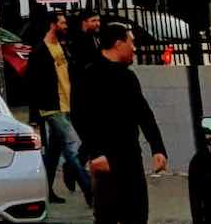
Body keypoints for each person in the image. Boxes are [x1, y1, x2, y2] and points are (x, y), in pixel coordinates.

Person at [71, 23, 167, 224]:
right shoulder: (88, 76)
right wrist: (95, 152)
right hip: (105, 163)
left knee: (138, 215)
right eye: (131, 42)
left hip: (131, 159)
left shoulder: (128, 77)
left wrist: (158, 148)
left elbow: (144, 114)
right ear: (118, 43)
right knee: (108, 216)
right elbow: (80, 117)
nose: (135, 48)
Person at [25, 11, 93, 204]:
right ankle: (90, 189)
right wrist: (34, 115)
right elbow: (32, 84)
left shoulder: (64, 46)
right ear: (52, 25)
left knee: (54, 153)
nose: (66, 26)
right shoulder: (40, 51)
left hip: (67, 104)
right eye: (62, 23)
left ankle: (46, 191)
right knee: (73, 146)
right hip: (51, 108)